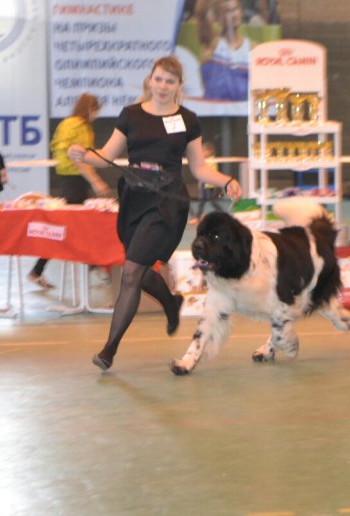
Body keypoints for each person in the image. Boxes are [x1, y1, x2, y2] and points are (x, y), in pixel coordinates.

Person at [68, 55, 243, 371]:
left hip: (167, 202)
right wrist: (82, 155)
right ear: (150, 80)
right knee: (138, 266)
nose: (163, 86)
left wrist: (227, 180)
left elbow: (200, 168)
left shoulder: (188, 120)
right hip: (135, 198)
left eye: (170, 81)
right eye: (159, 79)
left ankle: (109, 350)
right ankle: (171, 302)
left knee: (132, 271)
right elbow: (106, 155)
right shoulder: (131, 115)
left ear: (179, 85)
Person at [28, 93, 111, 289]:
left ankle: (38, 270)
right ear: (91, 109)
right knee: (82, 226)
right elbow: (80, 159)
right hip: (77, 182)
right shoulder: (82, 127)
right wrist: (96, 181)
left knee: (67, 228)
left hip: (65, 180)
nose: (96, 117)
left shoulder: (65, 124)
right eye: (96, 113)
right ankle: (96, 266)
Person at [195, 0, 252, 101]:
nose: (234, 15)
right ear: (218, 18)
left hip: (241, 112)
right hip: (213, 111)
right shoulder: (212, 43)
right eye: (227, 11)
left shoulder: (252, 47)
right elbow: (201, 14)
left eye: (235, 9)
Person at [189, 140, 223, 224]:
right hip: (204, 184)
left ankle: (222, 214)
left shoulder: (211, 161)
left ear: (209, 151)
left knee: (211, 201)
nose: (203, 153)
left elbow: (209, 173)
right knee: (202, 201)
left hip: (209, 186)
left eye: (204, 151)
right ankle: (198, 216)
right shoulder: (205, 160)